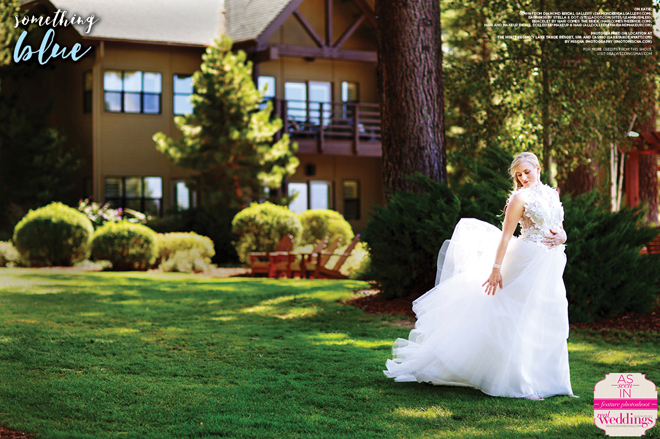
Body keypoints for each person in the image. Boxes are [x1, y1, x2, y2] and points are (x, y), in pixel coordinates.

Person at [383, 152, 576, 400]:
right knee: (520, 319)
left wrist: (564, 236)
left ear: (538, 168)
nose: (523, 178)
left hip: (550, 264)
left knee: (548, 318)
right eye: (519, 175)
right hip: (526, 262)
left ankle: (553, 382)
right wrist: (496, 269)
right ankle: (520, 383)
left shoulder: (552, 194)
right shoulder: (520, 199)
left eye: (527, 172)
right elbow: (506, 236)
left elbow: (559, 228)